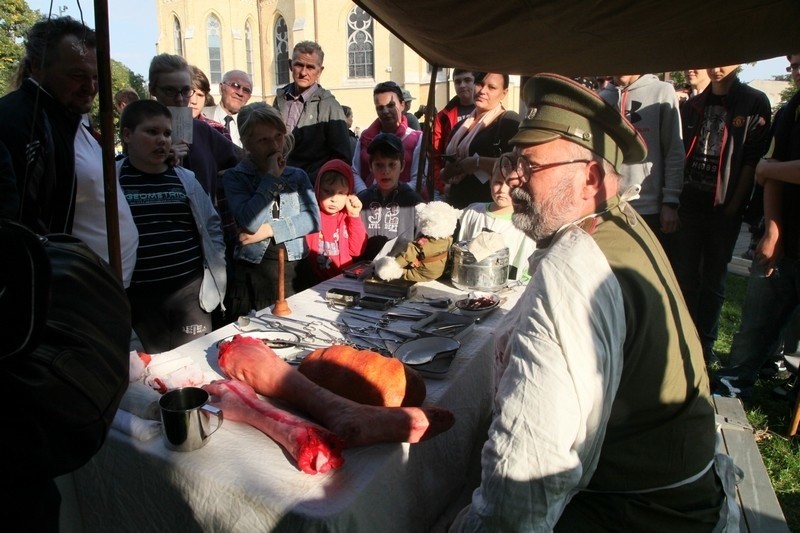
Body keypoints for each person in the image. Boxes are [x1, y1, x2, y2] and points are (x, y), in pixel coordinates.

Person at [450, 73, 729, 531]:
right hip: (678, 496)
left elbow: (527, 474)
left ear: (591, 179)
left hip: (641, 516)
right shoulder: (620, 221)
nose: (513, 177)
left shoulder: (574, 266)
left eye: (530, 165)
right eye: (513, 159)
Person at [672, 65, 771, 365]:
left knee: (713, 280)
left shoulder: (753, 102)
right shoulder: (694, 104)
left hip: (723, 210)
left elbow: (751, 161)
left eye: (724, 60)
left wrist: (733, 206)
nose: (716, 68)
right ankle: (681, 342)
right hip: (689, 204)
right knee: (685, 278)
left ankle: (705, 346)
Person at [714, 52, 800, 397]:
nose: (796, 70)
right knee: (758, 314)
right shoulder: (791, 110)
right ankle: (739, 375)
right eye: (794, 64)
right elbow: (770, 171)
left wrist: (770, 170)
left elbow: (767, 169)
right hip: (788, 237)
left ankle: (791, 381)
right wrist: (773, 232)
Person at [118, 100, 227, 353]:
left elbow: (211, 225)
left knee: (196, 362)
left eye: (167, 133)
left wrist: (215, 271)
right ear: (127, 135)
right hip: (140, 299)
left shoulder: (184, 179)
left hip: (189, 295)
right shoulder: (114, 180)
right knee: (150, 373)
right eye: (152, 132)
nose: (162, 140)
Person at [223, 103, 320, 319]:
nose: (275, 145)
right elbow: (249, 221)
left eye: (278, 136)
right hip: (256, 272)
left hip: (294, 267)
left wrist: (271, 230)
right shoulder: (235, 177)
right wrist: (271, 179)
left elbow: (313, 220)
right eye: (263, 140)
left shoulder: (297, 176)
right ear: (247, 143)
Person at [0, 16, 96, 234]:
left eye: (96, 76)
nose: (90, 87)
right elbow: (20, 219)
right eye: (77, 75)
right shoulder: (19, 121)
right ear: (37, 67)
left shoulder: (70, 116)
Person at [599, 74, 684, 255]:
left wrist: (671, 201)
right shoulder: (602, 98)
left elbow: (674, 150)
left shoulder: (661, 92)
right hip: (609, 206)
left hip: (650, 208)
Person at [439, 72, 521, 209]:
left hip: (488, 208)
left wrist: (478, 163)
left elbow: (517, 165)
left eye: (492, 87)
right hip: (456, 206)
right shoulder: (461, 126)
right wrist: (448, 172)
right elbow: (445, 169)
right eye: (479, 84)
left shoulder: (508, 121)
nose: (483, 91)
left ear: (504, 93)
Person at [273, 41, 351, 183]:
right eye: (299, 65)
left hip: (310, 189)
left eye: (310, 67)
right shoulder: (280, 99)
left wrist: (313, 181)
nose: (303, 72)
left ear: (320, 71)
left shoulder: (330, 107)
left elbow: (341, 158)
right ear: (290, 65)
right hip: (277, 185)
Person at [457, 155, 536, 281]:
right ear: (490, 181)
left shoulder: (525, 224)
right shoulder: (473, 212)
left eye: (511, 186)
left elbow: (526, 268)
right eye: (498, 183)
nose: (503, 190)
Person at [357, 132, 424, 260]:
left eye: (392, 164)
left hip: (399, 270)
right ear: (370, 166)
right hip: (363, 269)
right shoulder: (361, 201)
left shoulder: (414, 202)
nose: (386, 171)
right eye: (379, 165)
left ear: (402, 166)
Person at [353, 81, 424, 194]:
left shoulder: (417, 139)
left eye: (391, 105)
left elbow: (419, 179)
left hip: (404, 205)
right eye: (380, 108)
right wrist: (365, 194)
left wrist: (394, 196)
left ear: (402, 105)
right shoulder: (365, 138)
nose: (385, 111)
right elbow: (355, 172)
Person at [305, 159, 367, 282]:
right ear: (317, 189)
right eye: (327, 191)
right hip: (313, 282)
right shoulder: (310, 215)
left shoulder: (348, 217)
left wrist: (354, 216)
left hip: (344, 281)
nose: (333, 198)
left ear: (349, 194)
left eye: (341, 193)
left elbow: (357, 250)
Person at [431, 69, 477, 199]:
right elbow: (434, 155)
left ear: (476, 83)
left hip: (480, 183)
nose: (462, 85)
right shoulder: (443, 117)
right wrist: (442, 184)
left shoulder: (488, 113)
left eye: (467, 80)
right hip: (452, 185)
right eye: (458, 82)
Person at [202, 69, 253, 147]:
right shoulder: (199, 115)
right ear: (221, 88)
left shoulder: (252, 126)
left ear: (249, 97)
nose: (240, 93)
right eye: (235, 85)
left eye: (246, 90)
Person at [189, 65, 229, 138]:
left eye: (200, 95)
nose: (194, 101)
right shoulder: (164, 127)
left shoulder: (218, 130)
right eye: (189, 93)